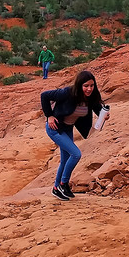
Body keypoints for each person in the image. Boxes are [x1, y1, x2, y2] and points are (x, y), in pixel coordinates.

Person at [40, 70, 105, 201]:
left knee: (65, 160)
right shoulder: (67, 92)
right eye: (86, 86)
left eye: (92, 86)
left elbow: (97, 107)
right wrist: (49, 115)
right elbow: (44, 96)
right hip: (55, 128)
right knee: (76, 154)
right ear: (80, 85)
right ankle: (63, 184)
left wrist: (104, 114)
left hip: (68, 128)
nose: (89, 89)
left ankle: (56, 188)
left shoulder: (91, 96)